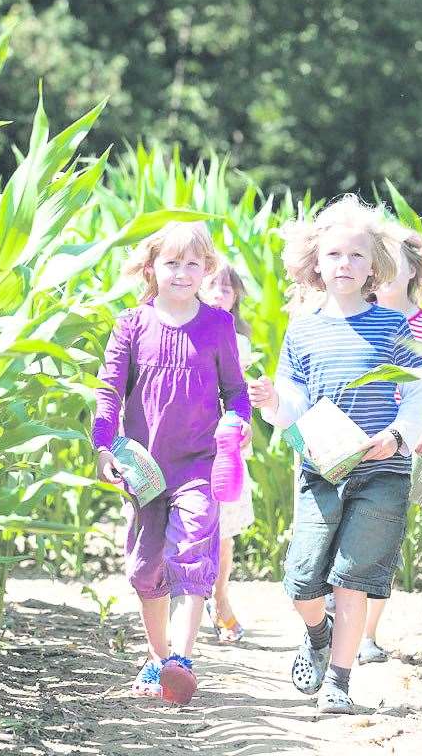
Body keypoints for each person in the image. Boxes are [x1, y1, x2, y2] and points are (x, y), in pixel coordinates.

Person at [247, 195, 422, 714]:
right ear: (315, 264)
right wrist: (274, 402)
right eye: (334, 255)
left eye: (355, 256)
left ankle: (341, 684)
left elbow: (417, 393)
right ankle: (317, 631)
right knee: (303, 580)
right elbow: (296, 400)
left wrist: (395, 437)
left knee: (352, 578)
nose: (344, 265)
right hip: (322, 471)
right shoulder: (303, 330)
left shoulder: (396, 327)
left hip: (383, 470)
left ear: (375, 265)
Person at [92, 222, 250, 706]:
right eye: (171, 263)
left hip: (198, 464)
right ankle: (158, 660)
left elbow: (236, 395)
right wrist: (103, 447)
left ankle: (181, 659)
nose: (182, 272)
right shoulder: (131, 325)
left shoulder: (218, 326)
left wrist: (234, 425)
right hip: (145, 469)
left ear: (206, 270)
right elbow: (109, 388)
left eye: (193, 264)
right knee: (145, 570)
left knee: (194, 551)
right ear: (151, 268)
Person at [353, 224, 422, 664]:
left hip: (402, 448)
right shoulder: (357, 315)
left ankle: (367, 635)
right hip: (353, 442)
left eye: (398, 259)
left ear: (414, 269)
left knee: (381, 537)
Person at [198, 262, 256, 644]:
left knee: (224, 533)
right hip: (190, 441)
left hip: (227, 445)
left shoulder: (241, 340)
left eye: (228, 289)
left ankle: (220, 602)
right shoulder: (185, 330)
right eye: (213, 286)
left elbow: (239, 392)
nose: (220, 293)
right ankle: (186, 603)